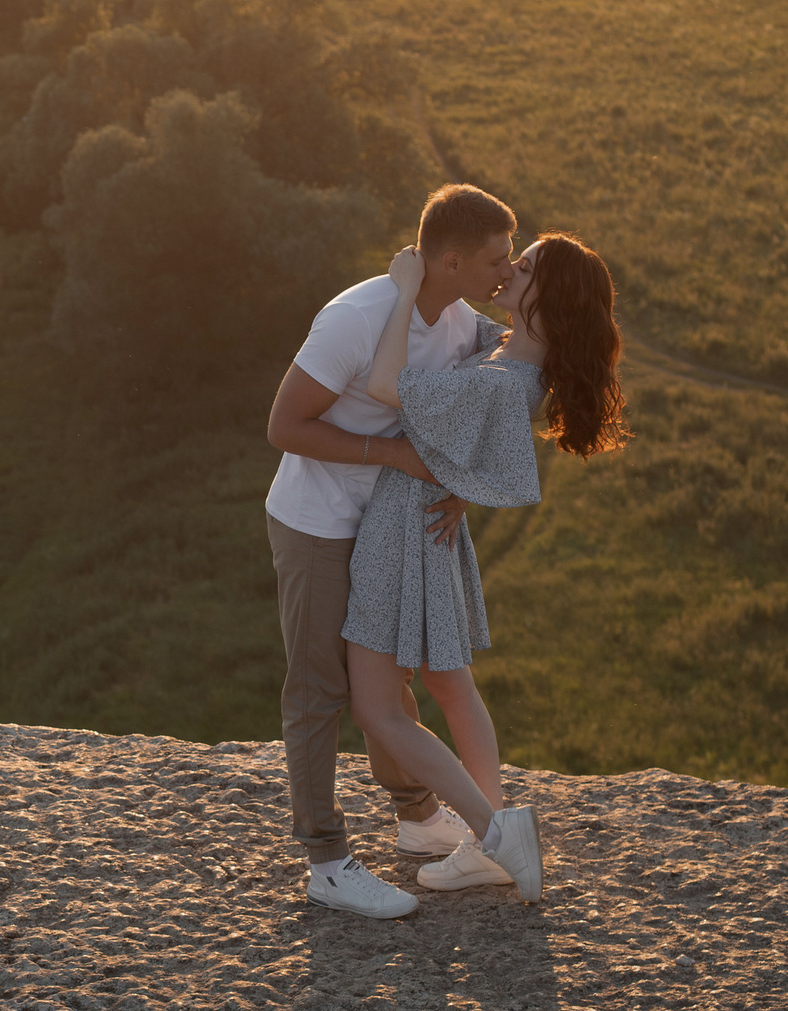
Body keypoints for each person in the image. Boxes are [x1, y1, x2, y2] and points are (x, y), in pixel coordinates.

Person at [341, 232, 631, 906]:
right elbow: (493, 447)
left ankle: (494, 832)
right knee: (450, 684)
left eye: (521, 266)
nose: (507, 270)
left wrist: (408, 287)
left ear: (545, 293)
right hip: (431, 526)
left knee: (377, 708)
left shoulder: (502, 379)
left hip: (403, 532)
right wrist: (462, 484)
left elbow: (386, 386)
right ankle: (487, 846)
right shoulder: (516, 359)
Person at [263, 185, 519, 921]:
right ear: (449, 259)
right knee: (319, 690)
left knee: (387, 677)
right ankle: (328, 862)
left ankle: (414, 814)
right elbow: (284, 424)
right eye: (497, 258)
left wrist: (462, 484)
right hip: (317, 522)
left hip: (384, 524)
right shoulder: (354, 318)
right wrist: (392, 454)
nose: (506, 269)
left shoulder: (461, 322)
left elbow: (485, 407)